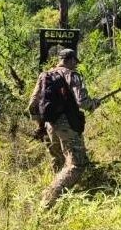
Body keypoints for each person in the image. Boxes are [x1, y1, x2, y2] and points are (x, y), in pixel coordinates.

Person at [28, 48, 99, 208]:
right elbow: (82, 102)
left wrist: (40, 126)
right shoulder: (72, 75)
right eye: (75, 61)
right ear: (71, 59)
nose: (76, 65)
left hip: (49, 126)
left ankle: (62, 205)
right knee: (76, 164)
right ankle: (48, 200)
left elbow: (32, 105)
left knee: (60, 162)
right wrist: (94, 103)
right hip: (68, 126)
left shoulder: (44, 75)